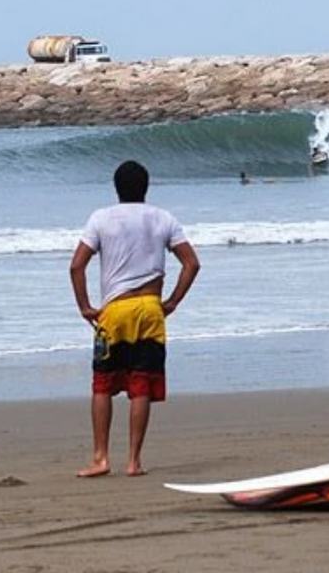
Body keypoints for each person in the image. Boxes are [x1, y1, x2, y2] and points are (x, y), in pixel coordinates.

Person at [68, 160, 201, 478]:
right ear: (146, 187)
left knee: (102, 384)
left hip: (115, 310)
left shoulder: (101, 218)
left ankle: (101, 458)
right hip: (150, 309)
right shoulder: (163, 218)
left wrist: (85, 306)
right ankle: (134, 462)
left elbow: (76, 266)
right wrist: (172, 302)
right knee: (141, 385)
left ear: (116, 188)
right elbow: (191, 263)